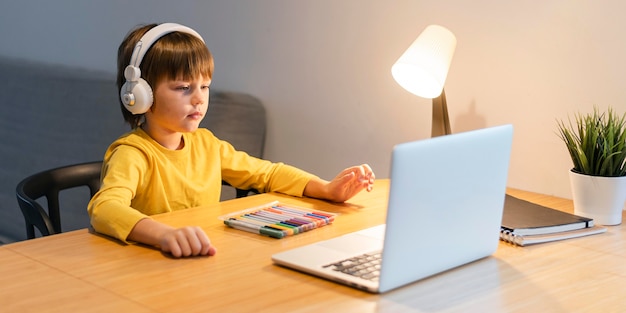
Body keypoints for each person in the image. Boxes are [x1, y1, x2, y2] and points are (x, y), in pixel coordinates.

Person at [87, 22, 375, 258]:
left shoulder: (207, 144)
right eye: (184, 88)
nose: (199, 98)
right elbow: (105, 208)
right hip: (147, 267)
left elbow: (269, 173)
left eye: (205, 86)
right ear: (140, 95)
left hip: (200, 259)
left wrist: (325, 189)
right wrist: (164, 234)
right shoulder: (133, 153)